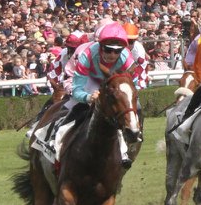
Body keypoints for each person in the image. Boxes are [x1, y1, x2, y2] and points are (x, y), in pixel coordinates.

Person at [35, 23, 138, 158]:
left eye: (117, 51)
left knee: (132, 107)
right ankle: (53, 139)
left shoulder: (126, 58)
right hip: (88, 79)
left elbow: (132, 87)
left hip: (113, 82)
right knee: (72, 106)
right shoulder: (87, 55)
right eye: (108, 49)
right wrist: (88, 97)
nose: (112, 55)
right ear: (100, 46)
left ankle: (129, 145)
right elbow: (77, 89)